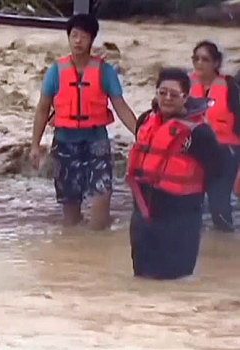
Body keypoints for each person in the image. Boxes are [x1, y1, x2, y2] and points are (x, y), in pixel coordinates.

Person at [30, 13, 137, 230]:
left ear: (92, 39)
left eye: (84, 36)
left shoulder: (105, 72)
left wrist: (141, 134)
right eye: (74, 35)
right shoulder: (56, 72)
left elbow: (121, 106)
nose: (78, 41)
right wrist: (35, 145)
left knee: (99, 217)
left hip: (96, 142)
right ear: (68, 38)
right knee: (70, 221)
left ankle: (97, 251)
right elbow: (42, 109)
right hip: (64, 144)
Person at [128, 68, 224, 280]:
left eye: (174, 94)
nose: (167, 99)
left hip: (180, 219)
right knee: (141, 280)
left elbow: (218, 171)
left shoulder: (199, 133)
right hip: (144, 214)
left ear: (185, 97)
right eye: (162, 93)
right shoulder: (145, 120)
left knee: (176, 283)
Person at [189, 40, 240, 232]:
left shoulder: (231, 87)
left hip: (225, 152)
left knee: (219, 207)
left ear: (216, 63)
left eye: (205, 59)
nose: (199, 63)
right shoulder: (186, 85)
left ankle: (226, 248)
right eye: (196, 59)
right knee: (190, 205)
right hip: (195, 152)